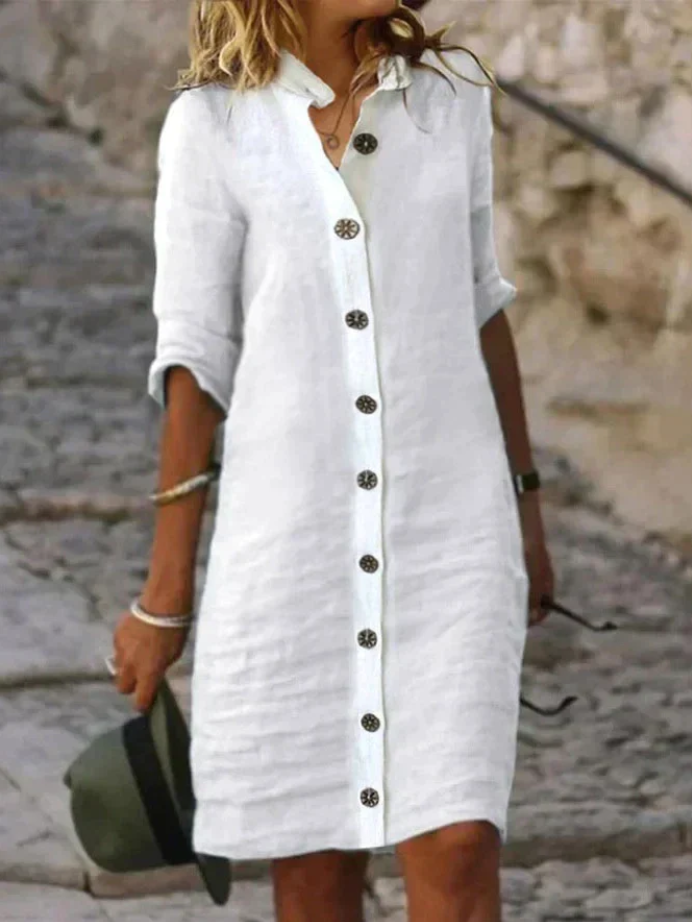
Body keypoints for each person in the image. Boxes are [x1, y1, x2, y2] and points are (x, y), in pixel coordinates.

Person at [111, 1, 555, 920]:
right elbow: (196, 359)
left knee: (460, 844)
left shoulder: (452, 102)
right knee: (314, 867)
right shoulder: (213, 126)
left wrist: (526, 508)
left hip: (451, 530)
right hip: (289, 545)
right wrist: (165, 592)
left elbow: (482, 302)